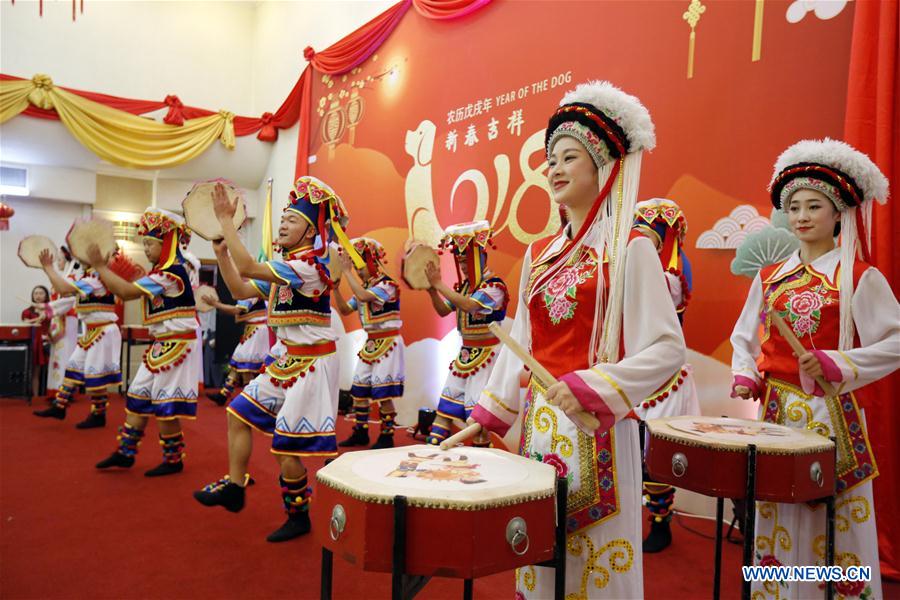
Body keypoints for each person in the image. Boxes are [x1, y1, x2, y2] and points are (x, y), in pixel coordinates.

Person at [470, 81, 686, 598]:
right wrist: (488, 416)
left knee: (594, 571)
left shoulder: (631, 249)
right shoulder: (538, 255)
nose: (555, 169)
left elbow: (667, 348)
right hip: (541, 428)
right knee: (539, 559)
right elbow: (520, 337)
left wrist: (596, 383)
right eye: (550, 160)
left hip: (598, 430)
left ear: (604, 168)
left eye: (570, 157)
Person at [730, 138, 898, 599]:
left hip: (831, 417)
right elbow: (744, 334)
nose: (802, 216)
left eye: (814, 206)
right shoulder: (771, 277)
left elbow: (896, 342)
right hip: (777, 416)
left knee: (833, 521)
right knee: (777, 517)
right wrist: (746, 372)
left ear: (838, 213)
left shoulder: (860, 276)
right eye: (794, 207)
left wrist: (838, 362)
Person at [193, 177, 360, 542]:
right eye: (282, 218)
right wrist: (222, 253)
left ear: (310, 231)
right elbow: (240, 289)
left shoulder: (309, 268)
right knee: (237, 413)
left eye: (292, 220)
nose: (283, 224)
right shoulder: (286, 267)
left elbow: (251, 268)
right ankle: (236, 488)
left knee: (286, 450)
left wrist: (225, 220)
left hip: (312, 366)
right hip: (287, 363)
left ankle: (298, 516)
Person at [91, 209, 200, 477]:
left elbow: (126, 292)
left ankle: (174, 460)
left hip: (178, 344)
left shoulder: (171, 273)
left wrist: (101, 267)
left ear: (167, 244)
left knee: (166, 402)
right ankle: (126, 452)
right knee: (138, 394)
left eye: (150, 243)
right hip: (163, 344)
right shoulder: (160, 273)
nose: (146, 249)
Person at [632, 198, 701, 553]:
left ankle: (660, 523)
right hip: (634, 369)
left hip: (662, 375)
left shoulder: (671, 274)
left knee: (654, 452)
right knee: (631, 446)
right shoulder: (647, 267)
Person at [422, 220, 508, 447]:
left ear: (481, 256)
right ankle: (433, 454)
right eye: (459, 258)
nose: (461, 263)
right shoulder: (465, 288)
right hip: (465, 357)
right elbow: (443, 311)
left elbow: (470, 306)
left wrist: (439, 284)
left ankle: (481, 470)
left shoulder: (495, 286)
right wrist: (432, 291)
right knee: (444, 410)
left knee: (476, 421)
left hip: (487, 358)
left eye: (465, 258)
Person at [32, 248, 128, 429]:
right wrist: (46, 308)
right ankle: (60, 406)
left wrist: (48, 267)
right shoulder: (89, 279)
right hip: (93, 332)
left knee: (95, 374)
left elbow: (63, 289)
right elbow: (69, 300)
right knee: (73, 367)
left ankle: (98, 414)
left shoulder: (97, 279)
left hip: (103, 332)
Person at [332, 237, 404, 450]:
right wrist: (335, 289)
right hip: (372, 343)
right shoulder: (367, 286)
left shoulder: (388, 285)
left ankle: (387, 435)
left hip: (388, 342)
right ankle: (361, 432)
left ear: (372, 261)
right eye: (355, 266)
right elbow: (346, 310)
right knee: (359, 388)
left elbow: (362, 296)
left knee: (383, 392)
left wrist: (346, 273)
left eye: (359, 266)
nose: (357, 270)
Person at [202, 290, 270, 406]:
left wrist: (215, 304)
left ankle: (249, 399)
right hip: (255, 329)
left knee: (247, 366)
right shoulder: (253, 286)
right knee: (238, 362)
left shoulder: (249, 289)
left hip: (258, 330)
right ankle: (224, 394)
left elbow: (237, 310)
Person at [21, 285, 51, 397]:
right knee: (33, 371)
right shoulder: (27, 312)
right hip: (34, 343)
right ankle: (33, 396)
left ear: (46, 296)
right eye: (36, 293)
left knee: (47, 371)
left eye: (41, 293)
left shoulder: (51, 311)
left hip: (49, 342)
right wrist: (38, 319)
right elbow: (25, 324)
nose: (38, 296)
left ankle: (45, 395)